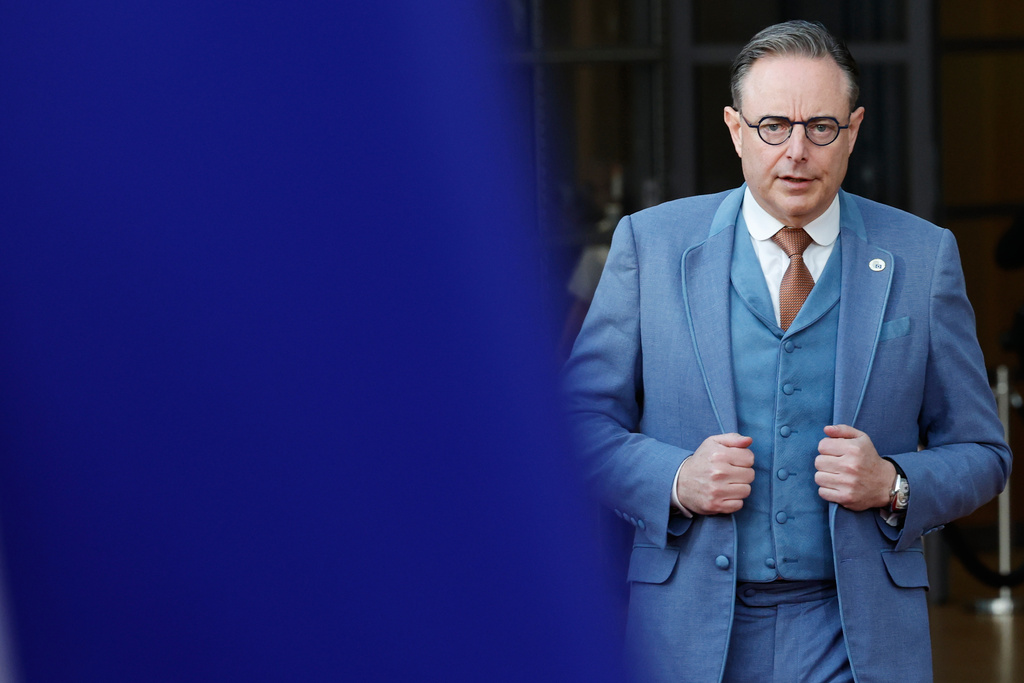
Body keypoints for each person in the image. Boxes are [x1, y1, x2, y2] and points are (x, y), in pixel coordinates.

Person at [562, 20, 1011, 683]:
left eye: (821, 127)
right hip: (689, 632)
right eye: (774, 125)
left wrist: (891, 481)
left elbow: (984, 451)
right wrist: (675, 478)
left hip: (857, 639)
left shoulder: (922, 256)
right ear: (736, 128)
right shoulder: (648, 246)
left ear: (852, 131)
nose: (797, 149)